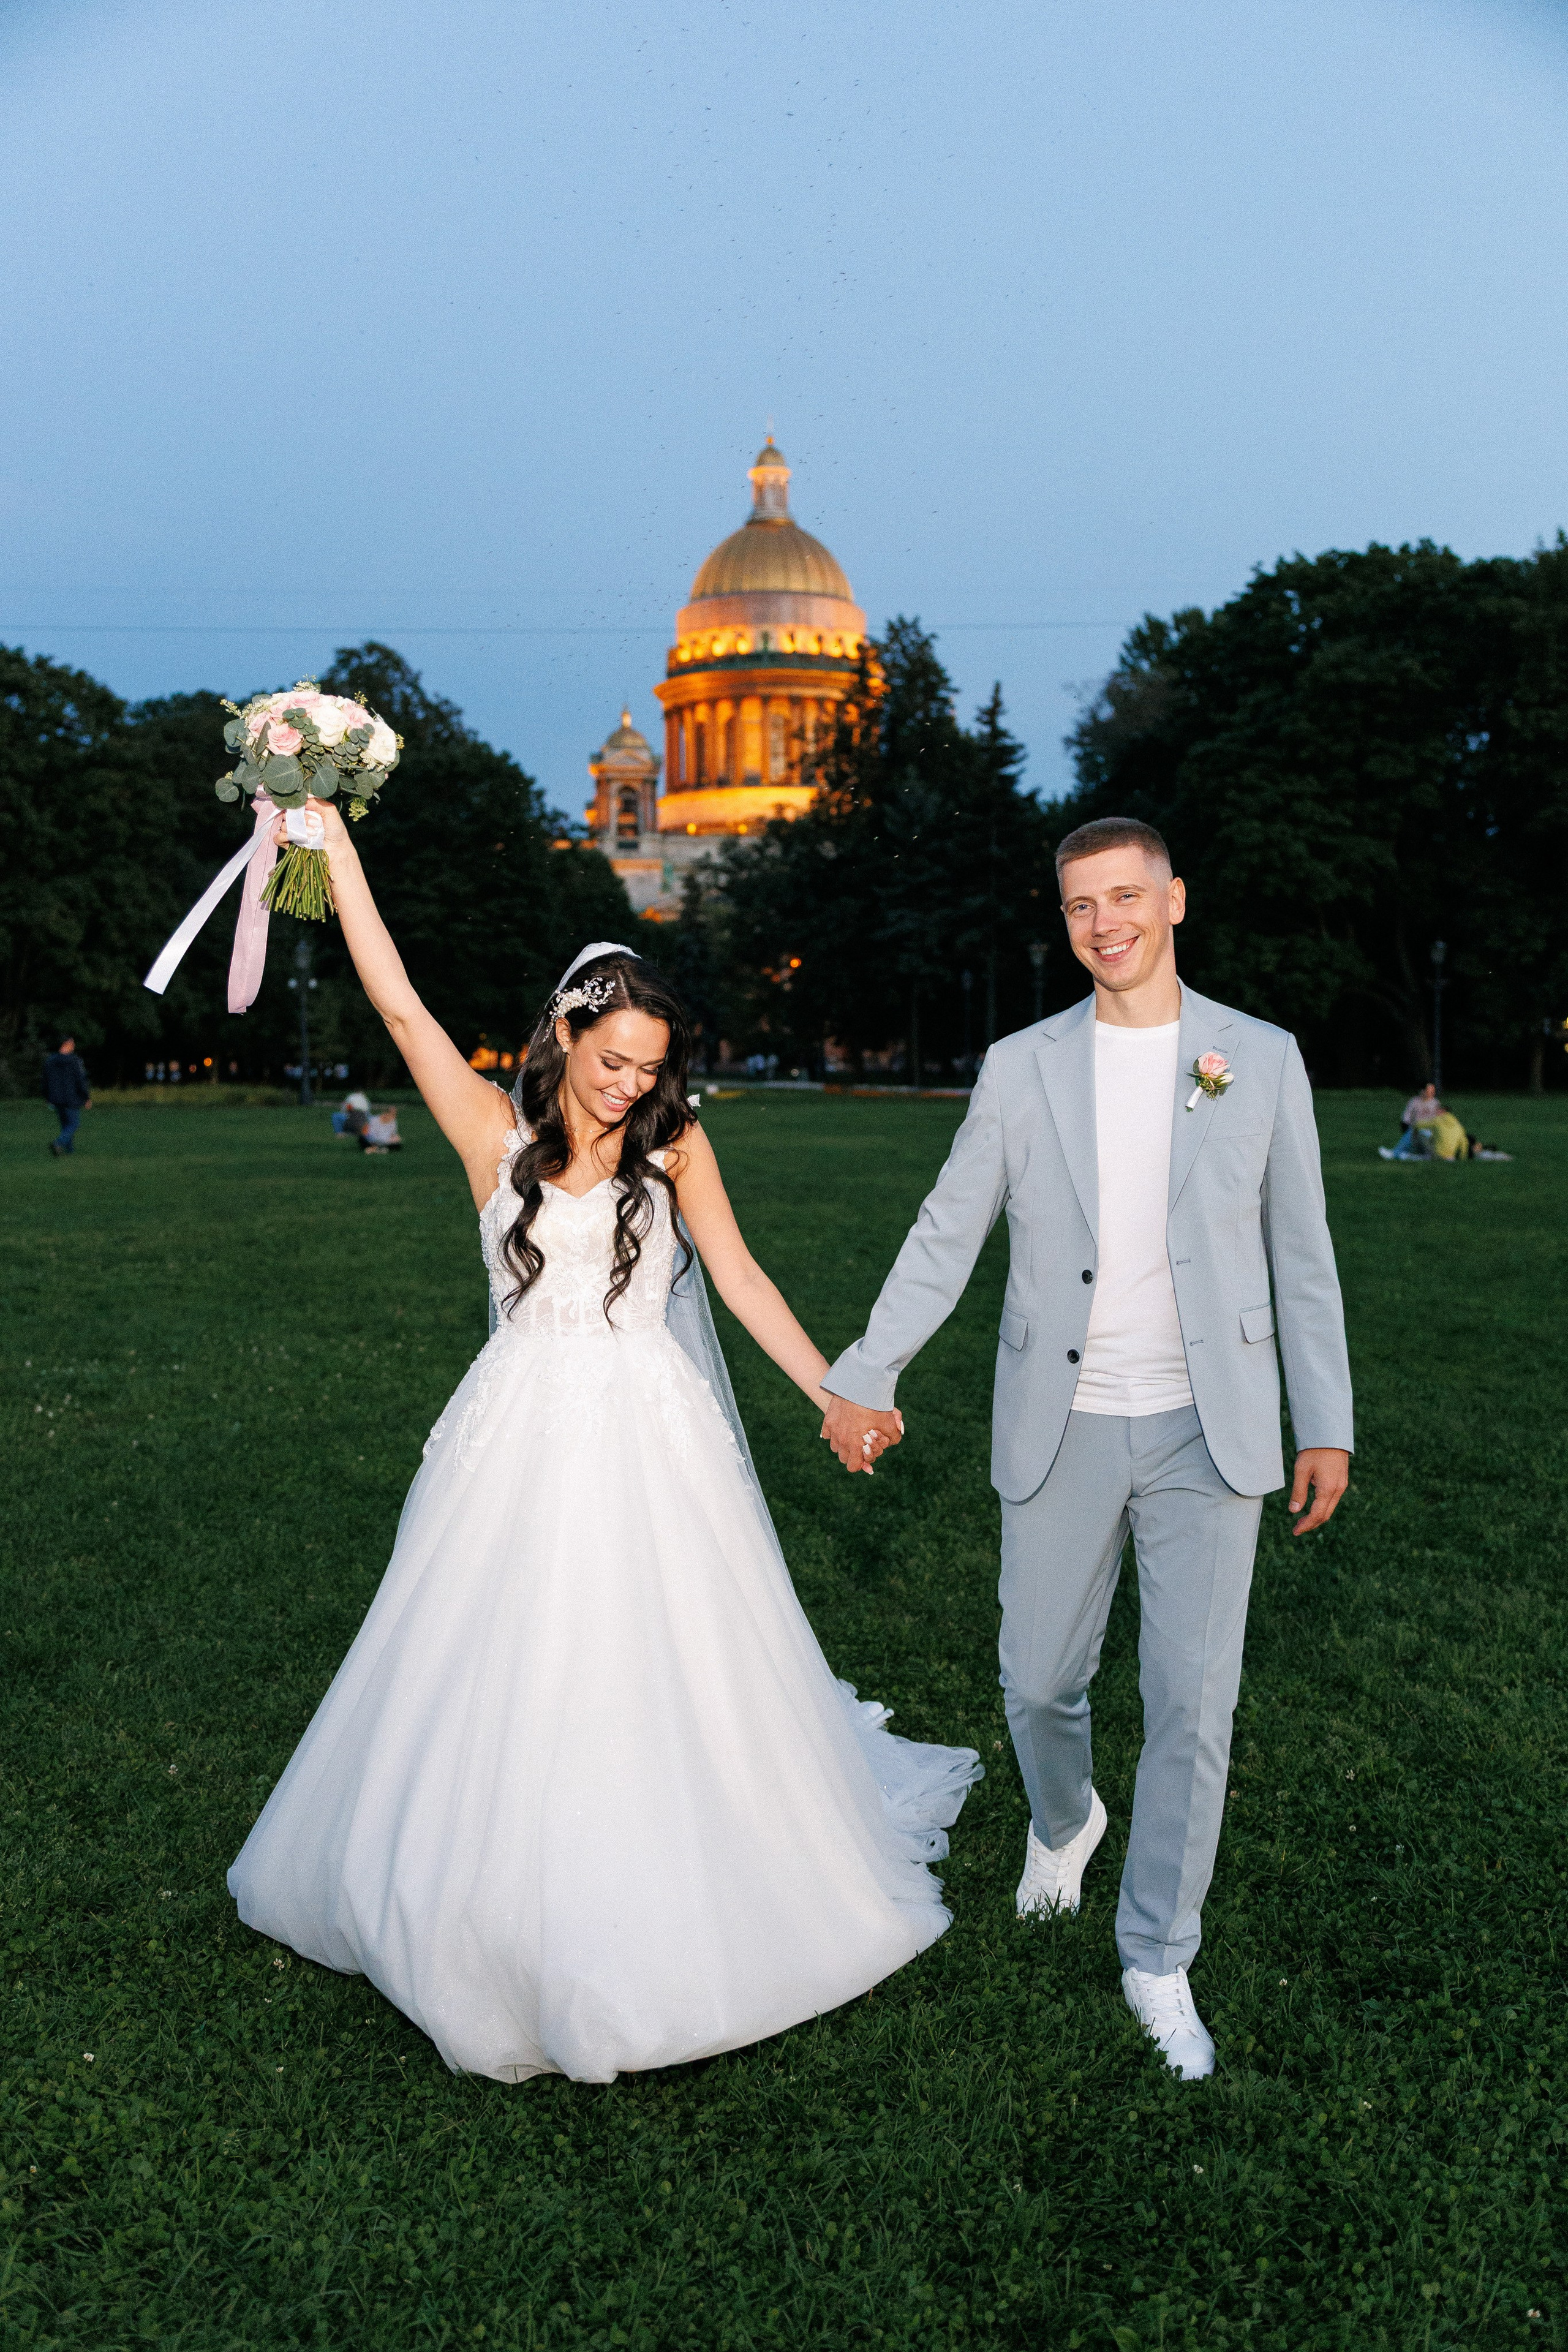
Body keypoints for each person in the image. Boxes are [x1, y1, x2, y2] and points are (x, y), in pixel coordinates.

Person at [228, 793, 980, 2085]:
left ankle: (684, 1864)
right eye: (611, 1061)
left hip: (651, 1431)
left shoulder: (677, 1146)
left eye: (649, 1066)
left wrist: (832, 1394)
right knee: (495, 1657)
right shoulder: (490, 1137)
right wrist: (336, 850)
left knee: (666, 1653)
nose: (631, 1085)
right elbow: (399, 1002)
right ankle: (488, 1894)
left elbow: (738, 1283)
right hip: (517, 1430)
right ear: (564, 1037)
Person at [817, 816, 1353, 2081]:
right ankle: (1063, 1816)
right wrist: (866, 1370)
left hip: (1206, 1427)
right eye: (1077, 906)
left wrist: (1321, 1420)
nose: (1102, 923)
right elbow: (947, 1229)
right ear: (1062, 922)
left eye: (1123, 897)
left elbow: (1301, 1253)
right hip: (1055, 1420)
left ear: (1173, 901)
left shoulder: (1258, 1059)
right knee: (1036, 1681)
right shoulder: (1021, 1068)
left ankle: (1156, 1953)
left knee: (1192, 1702)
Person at [43, 1036, 92, 1156]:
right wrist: (86, 1097)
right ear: (66, 1044)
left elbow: (45, 1081)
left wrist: (48, 1098)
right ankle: (58, 1143)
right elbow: (81, 1080)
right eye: (72, 1043)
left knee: (65, 1125)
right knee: (74, 1124)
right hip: (72, 1098)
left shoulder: (50, 1061)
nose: (74, 1046)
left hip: (56, 1099)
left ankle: (70, 1151)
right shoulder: (75, 1061)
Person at [1379, 1082, 1441, 1160]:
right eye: (1429, 1091)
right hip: (1416, 1130)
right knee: (1412, 1131)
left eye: (1433, 1091)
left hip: (1430, 1131)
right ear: (1422, 1091)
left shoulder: (1435, 1103)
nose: (1432, 1093)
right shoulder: (1414, 1102)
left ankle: (1394, 1154)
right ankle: (1398, 1153)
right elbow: (1406, 1119)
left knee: (1415, 1131)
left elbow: (1439, 1120)